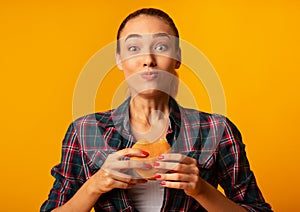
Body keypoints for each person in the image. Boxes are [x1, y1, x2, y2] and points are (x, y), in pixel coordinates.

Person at [41, 8, 272, 212]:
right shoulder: (86, 131)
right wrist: (96, 184)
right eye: (134, 48)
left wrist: (201, 189)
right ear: (120, 60)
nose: (148, 60)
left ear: (177, 57)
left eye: (161, 47)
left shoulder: (217, 130)